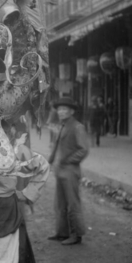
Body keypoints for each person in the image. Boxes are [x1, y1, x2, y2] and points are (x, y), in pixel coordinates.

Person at [48, 97, 89, 245]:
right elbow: (55, 146)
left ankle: (76, 235)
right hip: (60, 170)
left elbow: (83, 150)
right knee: (60, 203)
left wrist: (69, 160)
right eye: (59, 109)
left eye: (64, 109)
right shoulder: (61, 126)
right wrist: (50, 161)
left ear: (71, 111)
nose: (61, 112)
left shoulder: (77, 127)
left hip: (71, 171)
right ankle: (62, 232)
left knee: (73, 204)